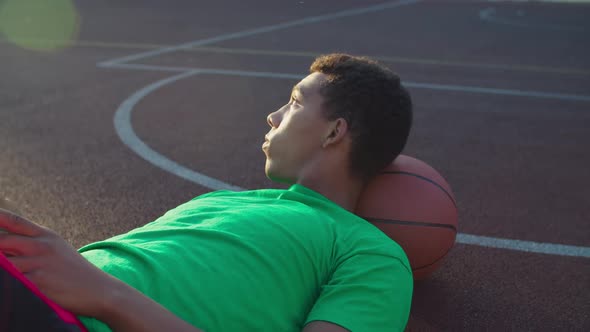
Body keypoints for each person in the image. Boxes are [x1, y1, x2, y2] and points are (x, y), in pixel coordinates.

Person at [0, 53, 413, 332]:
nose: (273, 116)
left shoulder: (369, 251)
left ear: (334, 131)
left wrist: (107, 295)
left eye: (294, 102)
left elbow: (103, 290)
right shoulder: (221, 201)